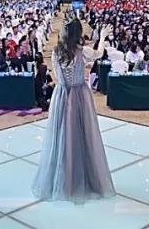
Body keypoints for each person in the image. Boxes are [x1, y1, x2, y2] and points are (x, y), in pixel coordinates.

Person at [32, 19, 115, 203]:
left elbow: (56, 75)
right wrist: (102, 37)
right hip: (79, 95)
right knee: (81, 135)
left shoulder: (56, 52)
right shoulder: (82, 51)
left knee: (61, 136)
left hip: (61, 95)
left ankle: (62, 181)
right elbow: (99, 54)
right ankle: (80, 178)